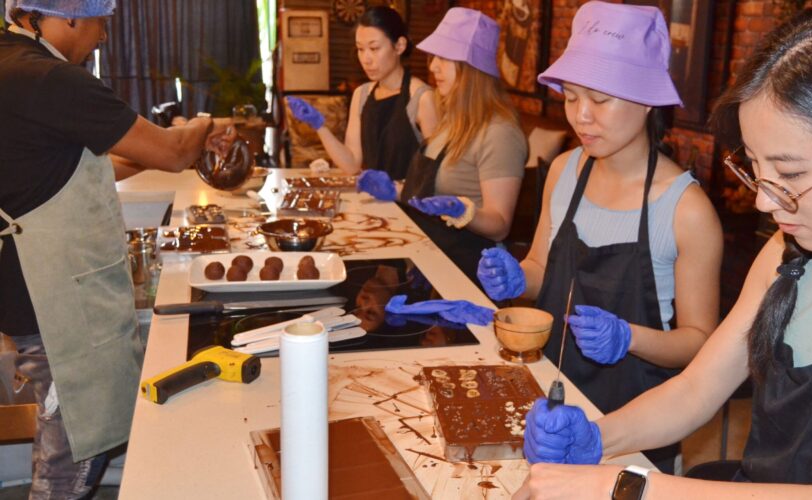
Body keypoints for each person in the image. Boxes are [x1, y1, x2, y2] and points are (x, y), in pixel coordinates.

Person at [516, 3, 812, 499]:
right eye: (753, 166)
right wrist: (599, 437)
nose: (763, 201)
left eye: (789, 175)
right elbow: (696, 389)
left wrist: (626, 488)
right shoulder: (788, 251)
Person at [475, 1, 722, 472]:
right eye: (570, 97)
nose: (581, 116)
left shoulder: (685, 210)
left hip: (637, 427)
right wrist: (515, 278)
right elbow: (542, 272)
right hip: (548, 401)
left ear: (648, 99)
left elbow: (699, 341)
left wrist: (629, 337)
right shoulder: (565, 171)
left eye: (600, 99)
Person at [0, 1, 223, 497]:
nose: (103, 36)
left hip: (24, 285)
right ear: (70, 16)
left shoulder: (10, 65)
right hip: (56, 296)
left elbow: (70, 168)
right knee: (74, 447)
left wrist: (162, 153)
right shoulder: (52, 80)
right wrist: (208, 125)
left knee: (73, 430)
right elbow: (174, 151)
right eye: (102, 21)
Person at [362, 7, 527, 283]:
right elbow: (432, 190)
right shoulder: (452, 121)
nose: (432, 66)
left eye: (443, 58)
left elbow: (499, 226)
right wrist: (397, 190)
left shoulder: (500, 133)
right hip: (431, 262)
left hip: (468, 271)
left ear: (473, 68)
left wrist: (465, 212)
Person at [285, 6, 437, 180]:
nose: (366, 59)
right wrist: (319, 126)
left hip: (408, 204)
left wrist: (398, 191)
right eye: (360, 49)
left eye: (374, 48)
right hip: (373, 202)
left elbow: (434, 172)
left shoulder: (421, 97)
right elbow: (351, 164)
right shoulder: (362, 94)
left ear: (399, 46)